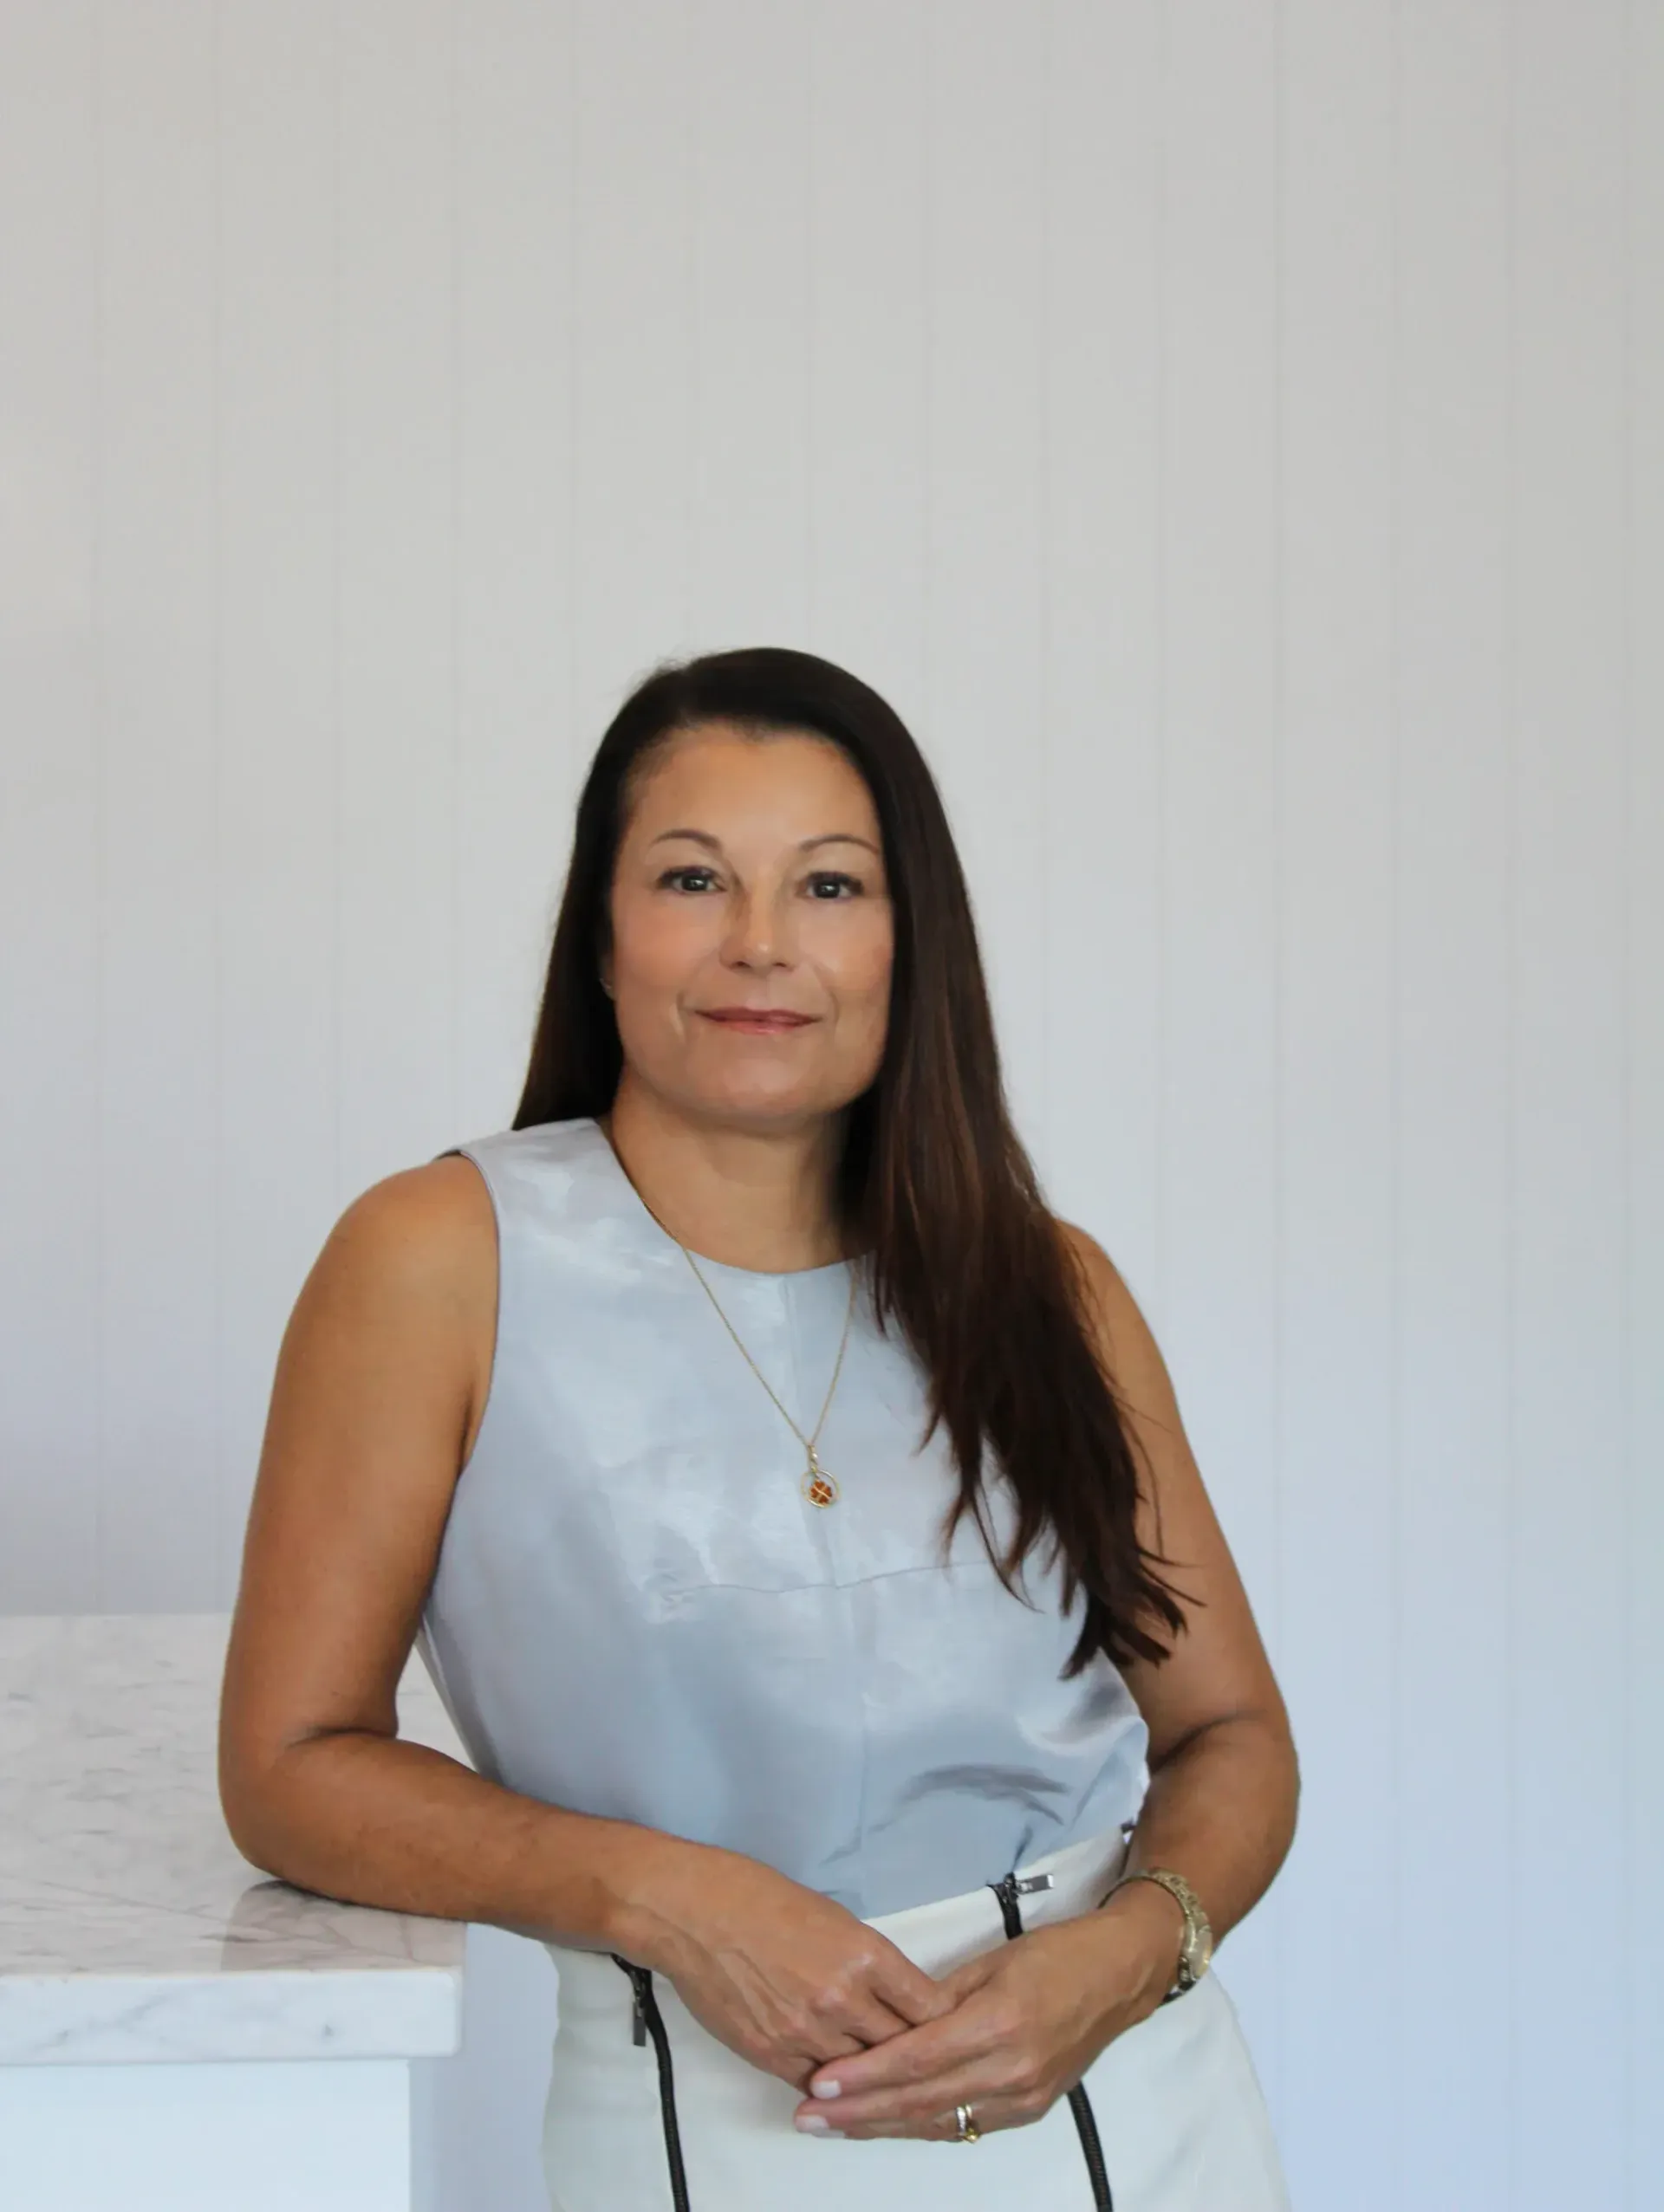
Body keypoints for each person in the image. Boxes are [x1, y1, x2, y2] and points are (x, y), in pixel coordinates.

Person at [219, 645, 1297, 2211]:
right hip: (701, 2109)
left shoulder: (1050, 1286)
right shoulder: (436, 1260)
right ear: (601, 934)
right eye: (692, 876)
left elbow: (1233, 1738)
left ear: (909, 944)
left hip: (1121, 2109)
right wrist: (665, 1896)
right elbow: (290, 1766)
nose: (760, 945)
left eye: (831, 888)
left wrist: (1123, 1962)